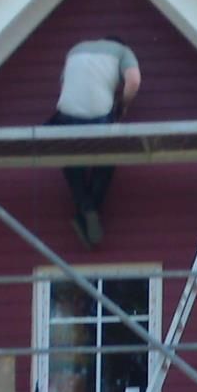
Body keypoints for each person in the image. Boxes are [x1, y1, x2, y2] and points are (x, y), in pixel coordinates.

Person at [50, 36, 140, 247]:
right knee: (108, 155)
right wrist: (122, 105)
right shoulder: (123, 51)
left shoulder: (75, 49)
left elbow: (65, 85)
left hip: (65, 115)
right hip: (99, 115)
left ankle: (85, 207)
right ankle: (90, 207)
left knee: (64, 152)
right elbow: (134, 81)